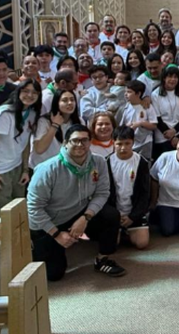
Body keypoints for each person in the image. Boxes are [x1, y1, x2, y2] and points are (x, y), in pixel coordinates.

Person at [27, 125, 125, 280]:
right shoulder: (47, 170)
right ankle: (36, 245)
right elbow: (34, 208)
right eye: (75, 140)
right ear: (65, 143)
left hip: (78, 212)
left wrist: (85, 217)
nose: (80, 144)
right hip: (50, 220)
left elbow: (102, 193)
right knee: (53, 274)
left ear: (90, 142)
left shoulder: (98, 162)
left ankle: (102, 259)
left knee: (111, 215)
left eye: (84, 140)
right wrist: (57, 234)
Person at [0, 79, 41, 215]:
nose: (30, 95)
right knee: (0, 215)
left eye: (34, 92)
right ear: (18, 92)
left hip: (16, 167)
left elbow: (25, 142)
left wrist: (25, 169)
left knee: (17, 213)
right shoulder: (4, 113)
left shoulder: (32, 112)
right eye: (26, 91)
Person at [106, 126, 151, 249]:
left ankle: (128, 230)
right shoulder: (106, 162)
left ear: (133, 142)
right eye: (119, 144)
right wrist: (115, 215)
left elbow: (144, 193)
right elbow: (104, 193)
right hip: (114, 212)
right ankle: (120, 231)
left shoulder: (141, 162)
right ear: (113, 142)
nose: (123, 148)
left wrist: (132, 217)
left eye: (127, 143)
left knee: (142, 243)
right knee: (111, 245)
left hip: (133, 211)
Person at [31, 89, 81, 168]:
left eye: (72, 100)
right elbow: (39, 149)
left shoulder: (79, 121)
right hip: (42, 167)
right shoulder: (44, 121)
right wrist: (55, 125)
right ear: (56, 103)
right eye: (65, 100)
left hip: (62, 167)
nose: (70, 103)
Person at [151, 65, 179, 157]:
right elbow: (157, 118)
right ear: (164, 78)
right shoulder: (155, 94)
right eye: (170, 76)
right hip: (163, 134)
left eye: (175, 77)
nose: (173, 79)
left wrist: (174, 131)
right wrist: (172, 137)